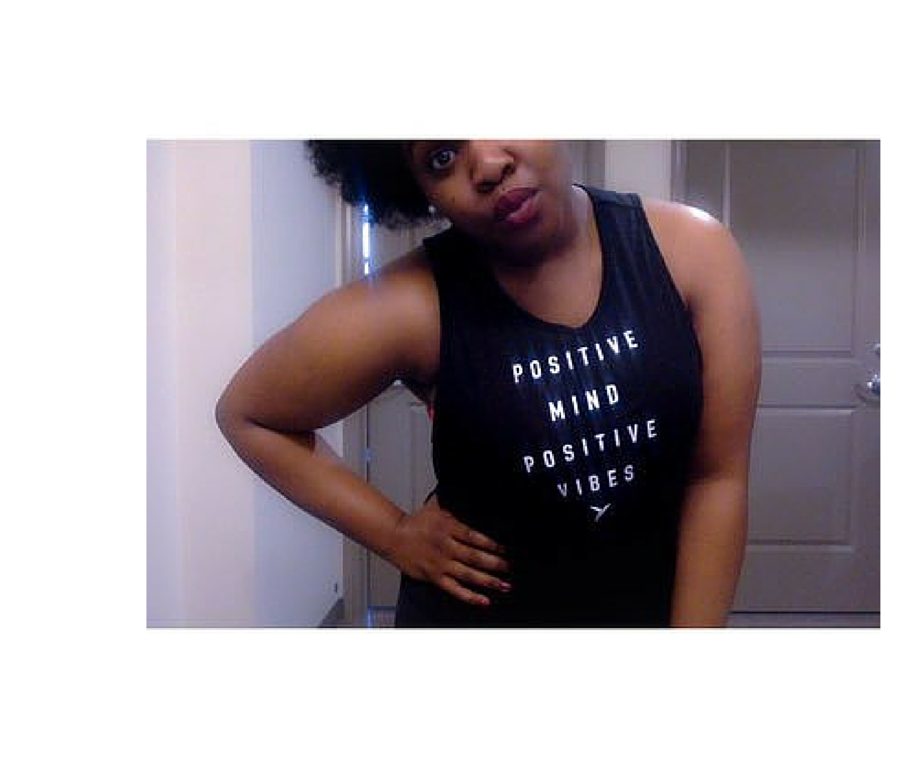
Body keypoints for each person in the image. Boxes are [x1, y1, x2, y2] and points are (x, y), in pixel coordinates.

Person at [215, 140, 761, 628]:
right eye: (441, 157)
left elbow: (717, 479)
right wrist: (394, 533)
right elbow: (248, 414)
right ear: (417, 187)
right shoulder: (411, 305)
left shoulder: (690, 251)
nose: (488, 165)